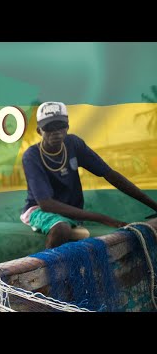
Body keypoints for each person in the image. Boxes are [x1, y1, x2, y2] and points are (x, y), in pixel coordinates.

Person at [20, 101, 157, 249]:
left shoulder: (73, 144)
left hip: (70, 209)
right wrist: (103, 218)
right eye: (49, 127)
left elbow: (109, 174)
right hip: (39, 210)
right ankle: (48, 270)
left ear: (67, 127)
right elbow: (46, 204)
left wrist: (153, 205)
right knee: (62, 228)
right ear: (39, 131)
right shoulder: (32, 156)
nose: (56, 132)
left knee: (73, 231)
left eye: (60, 125)